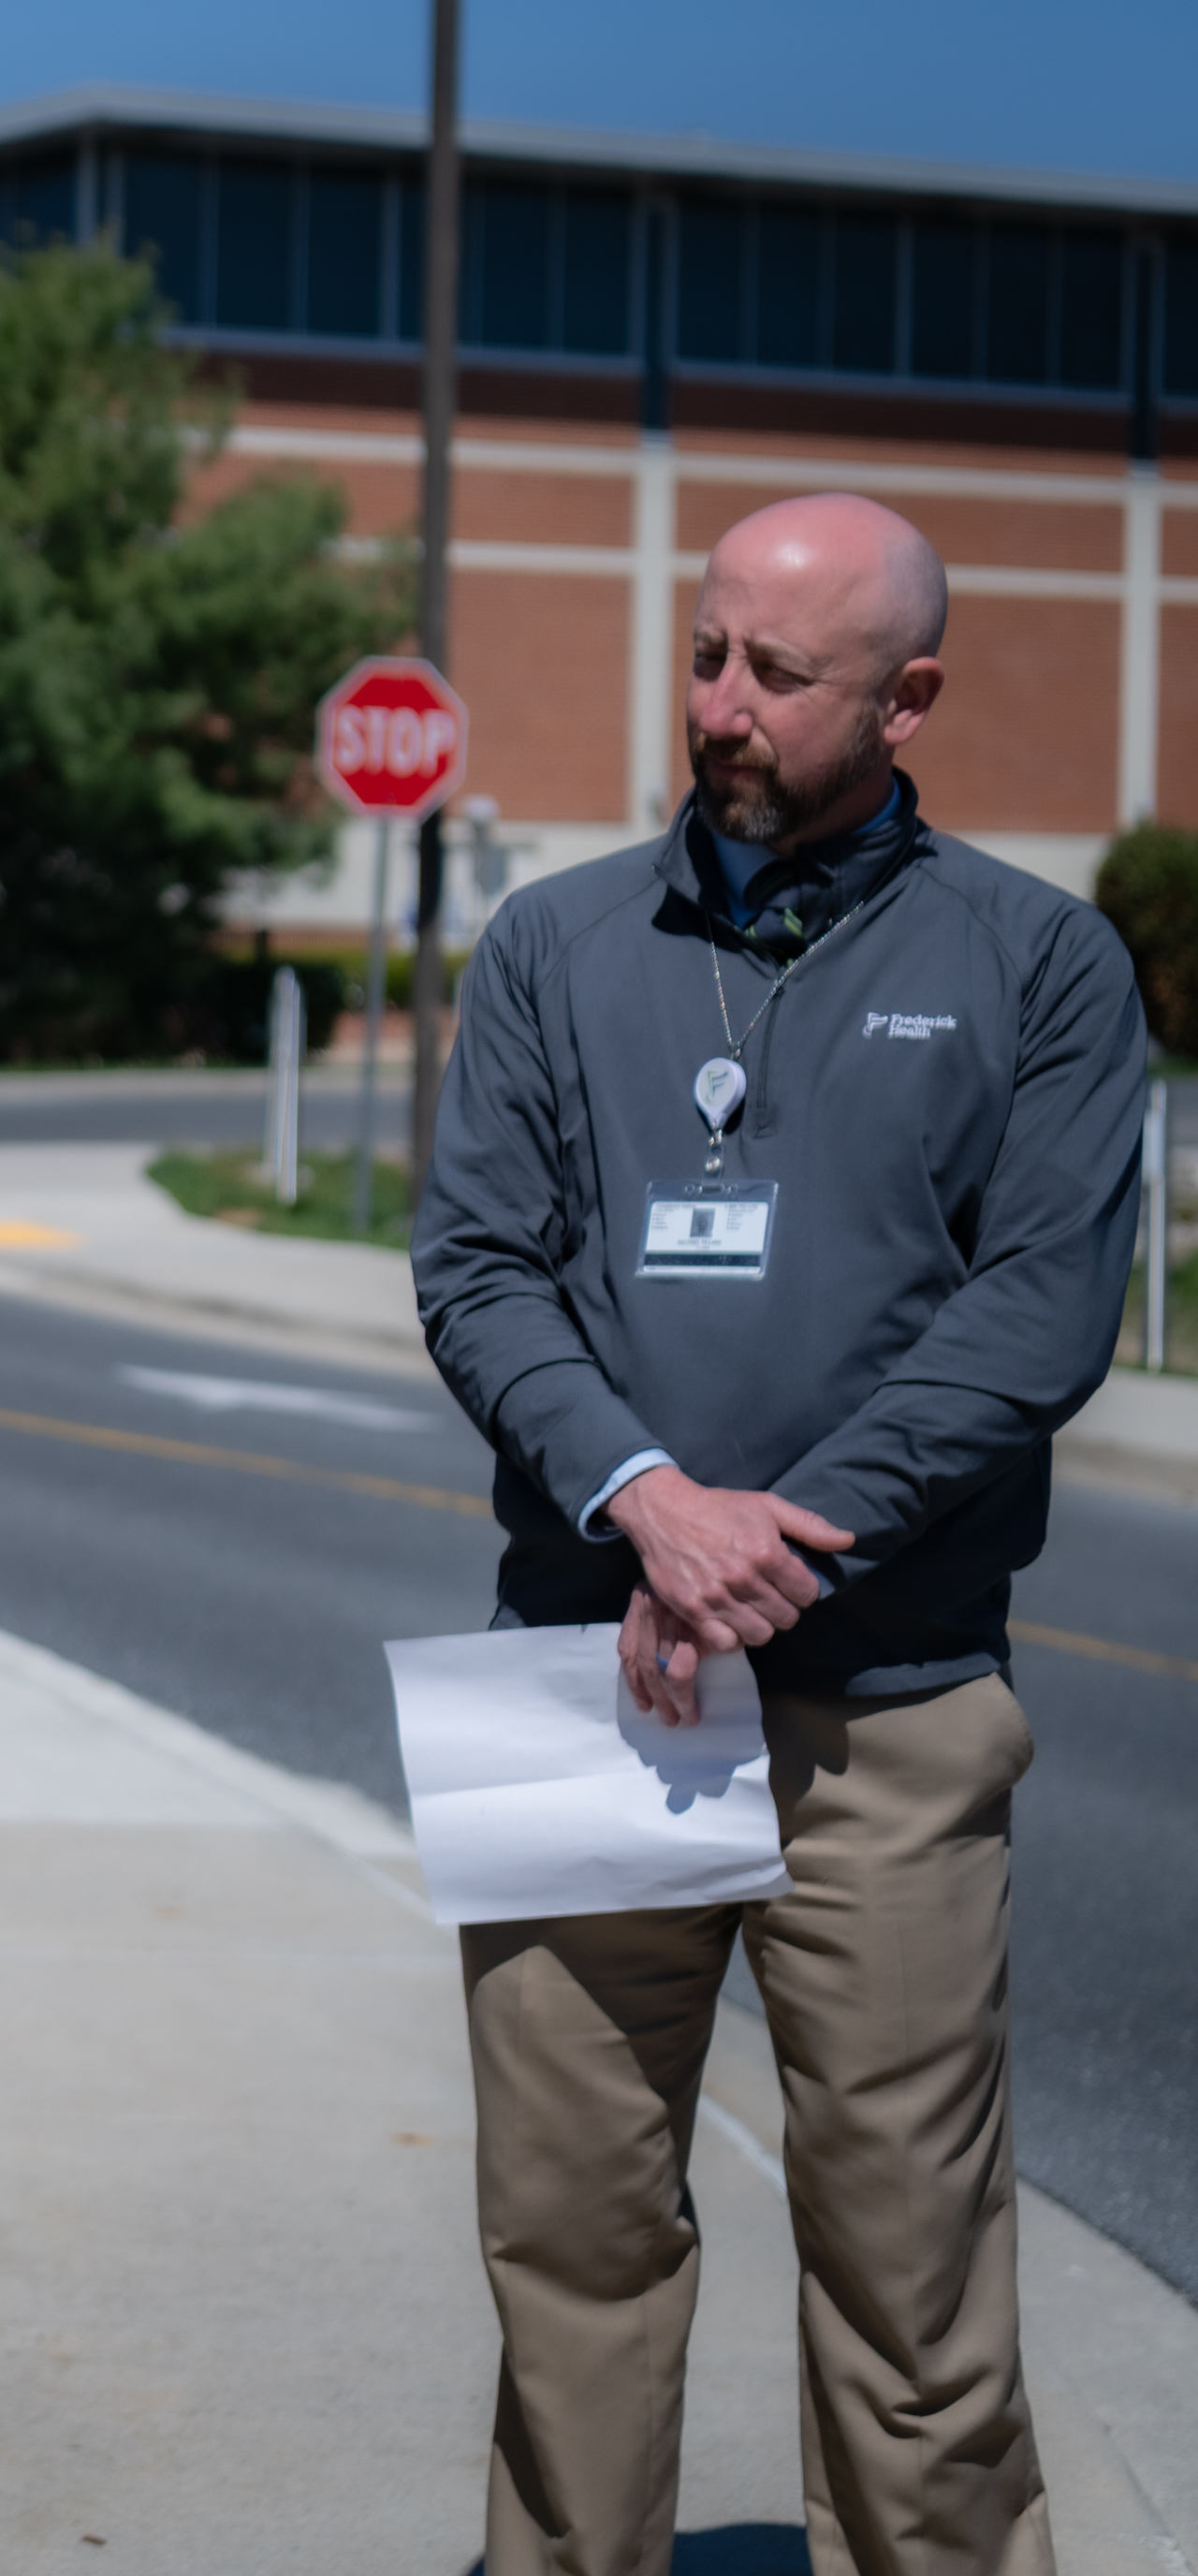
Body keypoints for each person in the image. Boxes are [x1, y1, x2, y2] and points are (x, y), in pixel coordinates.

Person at [416, 491, 1147, 2576]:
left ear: (910, 698)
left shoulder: (1040, 964)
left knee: (913, 2278)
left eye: (780, 673)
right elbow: (481, 1268)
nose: (721, 704)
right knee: (564, 2244)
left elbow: (1034, 1316)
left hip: (890, 1714)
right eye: (708, 653)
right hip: (583, 1677)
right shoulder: (556, 945)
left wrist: (782, 1540)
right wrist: (648, 1504)